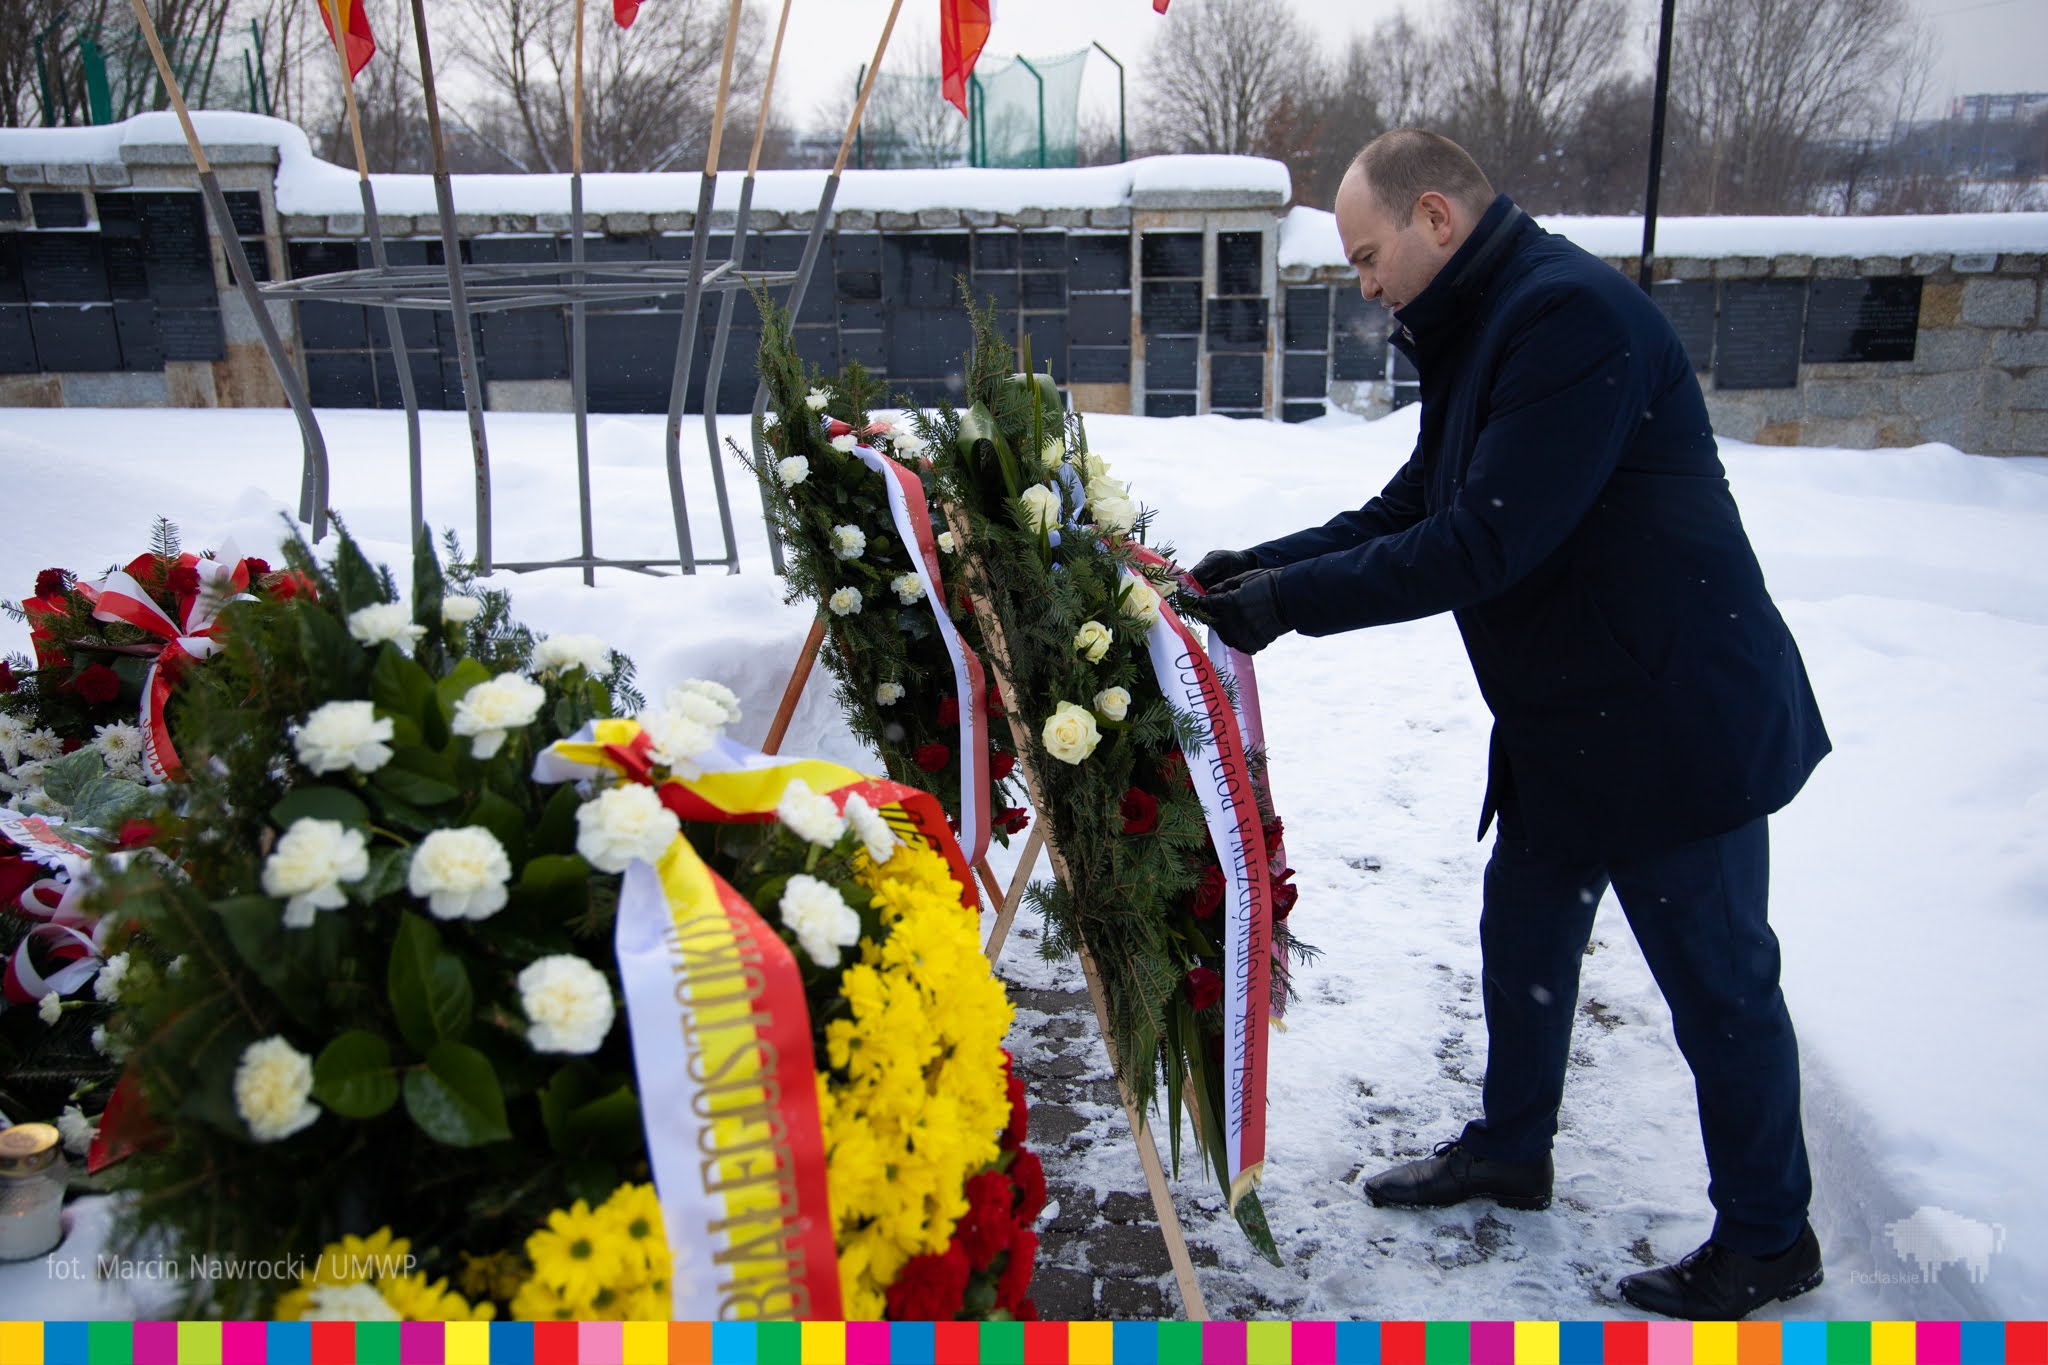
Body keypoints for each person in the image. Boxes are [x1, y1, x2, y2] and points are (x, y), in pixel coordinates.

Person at [1191, 130, 1832, 1321]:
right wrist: (1259, 568)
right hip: (1570, 716)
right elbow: (1414, 503)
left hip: (1670, 718)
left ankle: (1767, 1236)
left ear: (1434, 217)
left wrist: (1283, 609)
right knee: (1524, 937)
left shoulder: (1567, 318)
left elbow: (1482, 540)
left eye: (1367, 256)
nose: (1363, 284)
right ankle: (1509, 1148)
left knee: (1718, 984)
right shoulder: (1486, 319)